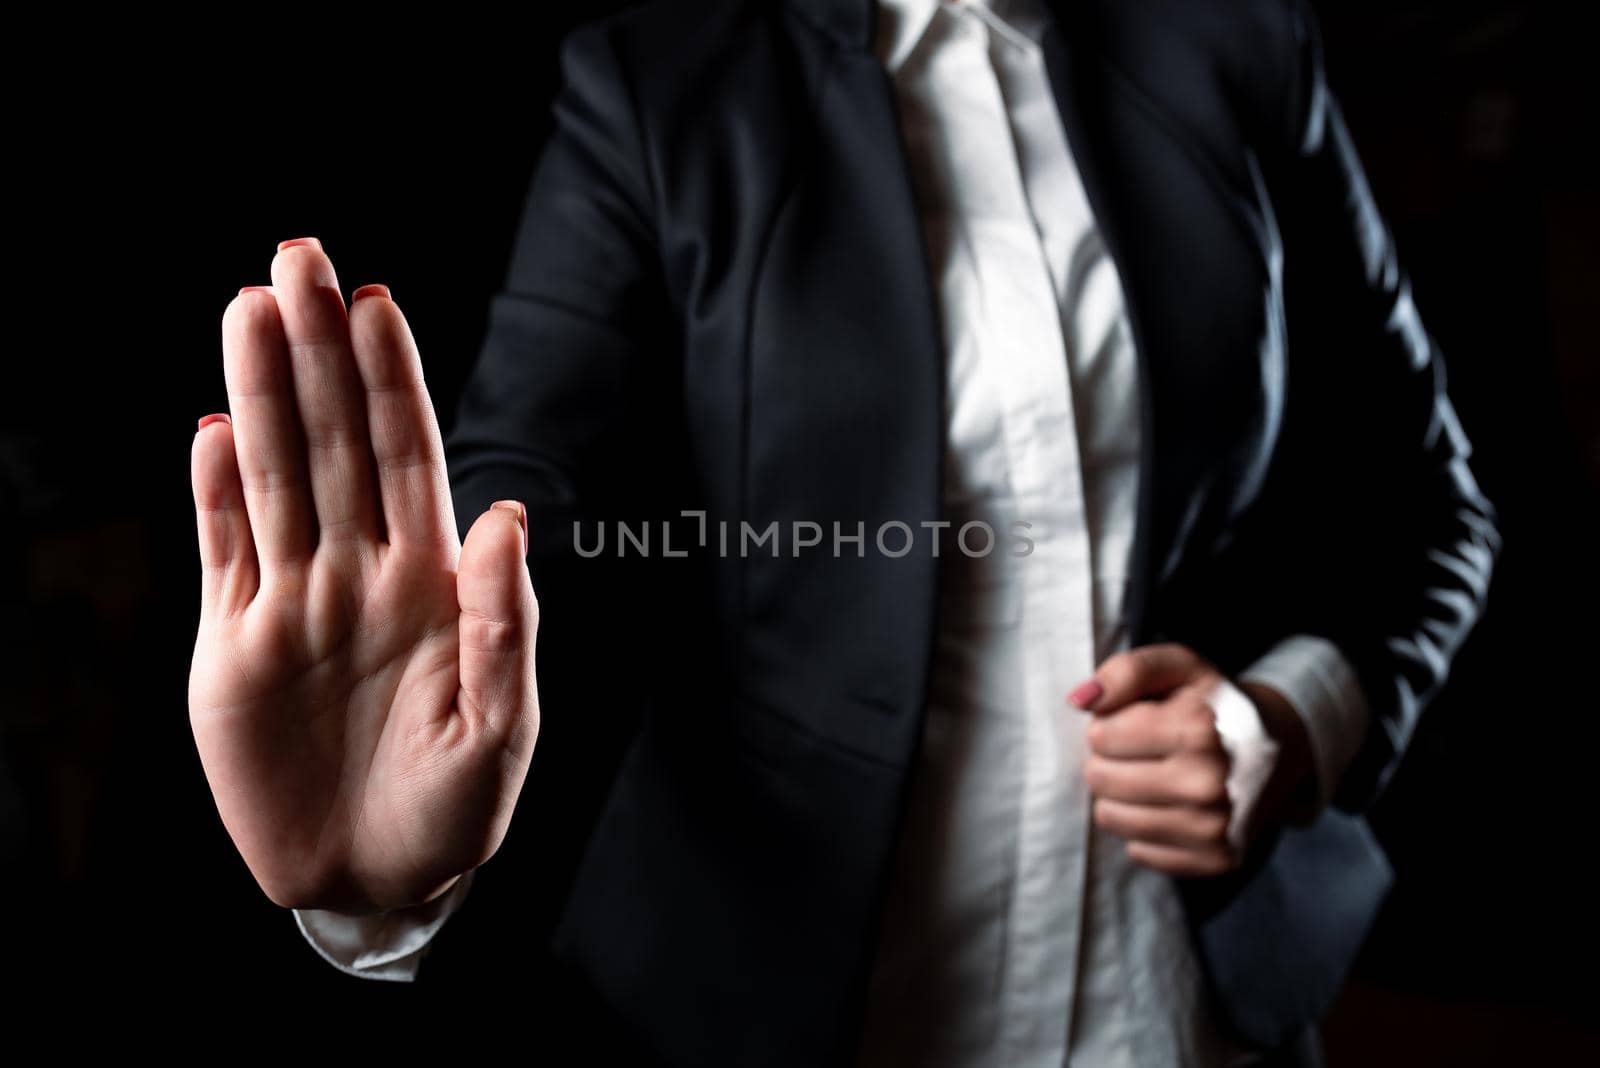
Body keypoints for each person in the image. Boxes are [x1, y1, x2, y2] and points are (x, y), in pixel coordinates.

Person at [185, 0, 1500, 1064]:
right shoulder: (660, 86)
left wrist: (1286, 722)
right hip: (797, 1009)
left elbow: (1431, 502)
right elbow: (536, 489)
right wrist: (412, 775)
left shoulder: (1242, 45)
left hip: (1187, 1015)